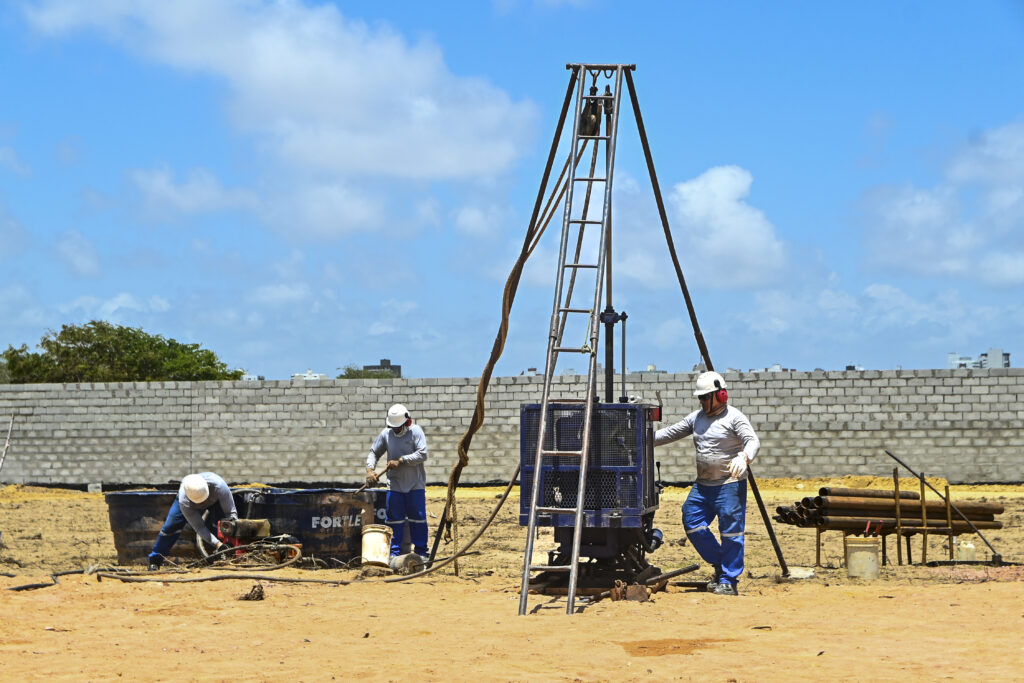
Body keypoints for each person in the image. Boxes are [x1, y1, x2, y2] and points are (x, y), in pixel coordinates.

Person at [654, 371, 760, 596]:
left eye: (705, 397)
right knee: (692, 521)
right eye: (700, 398)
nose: (702, 402)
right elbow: (671, 433)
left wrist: (744, 458)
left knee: (731, 532)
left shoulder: (734, 418)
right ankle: (721, 564)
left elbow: (752, 440)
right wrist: (638, 438)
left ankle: (729, 580)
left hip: (729, 485)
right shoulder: (697, 418)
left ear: (720, 395)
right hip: (703, 486)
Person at [365, 403, 429, 560]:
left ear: (407, 422)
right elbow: (374, 452)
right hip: (395, 485)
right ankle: (394, 555)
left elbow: (423, 454)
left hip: (415, 484)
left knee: (418, 519)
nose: (396, 430)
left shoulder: (416, 432)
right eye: (393, 427)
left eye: (398, 427)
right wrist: (370, 470)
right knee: (394, 520)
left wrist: (401, 460)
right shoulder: (386, 434)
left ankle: (421, 554)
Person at [147, 472, 237, 570]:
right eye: (200, 502)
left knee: (223, 524)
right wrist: (218, 544)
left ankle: (227, 554)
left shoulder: (219, 487)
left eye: (205, 499)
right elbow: (199, 527)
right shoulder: (184, 501)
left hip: (215, 501)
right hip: (190, 505)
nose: (204, 503)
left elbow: (231, 513)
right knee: (171, 526)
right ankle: (155, 561)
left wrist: (235, 536)